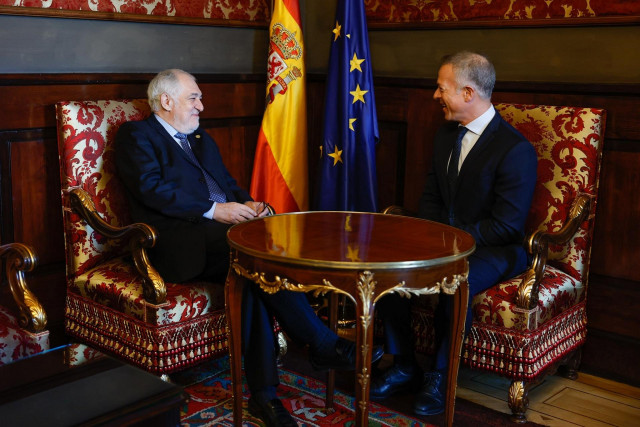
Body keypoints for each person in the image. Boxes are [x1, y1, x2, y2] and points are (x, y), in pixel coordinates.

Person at [115, 69, 382, 427]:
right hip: (173, 243)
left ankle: (265, 396)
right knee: (250, 259)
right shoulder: (137, 136)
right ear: (166, 101)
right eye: (193, 98)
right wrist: (213, 210)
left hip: (222, 240)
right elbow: (151, 189)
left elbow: (227, 185)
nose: (201, 106)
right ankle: (318, 342)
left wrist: (253, 205)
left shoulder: (200, 139)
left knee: (251, 276)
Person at [371, 52, 537, 416]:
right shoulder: (445, 135)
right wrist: (427, 237)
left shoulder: (515, 149)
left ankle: (441, 376)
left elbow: (507, 225)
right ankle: (403, 365)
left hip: (497, 249)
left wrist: (449, 242)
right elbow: (430, 197)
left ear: (467, 93)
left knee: (454, 279)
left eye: (440, 88)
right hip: (447, 239)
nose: (434, 95)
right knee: (385, 264)